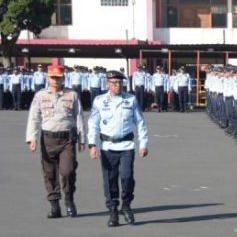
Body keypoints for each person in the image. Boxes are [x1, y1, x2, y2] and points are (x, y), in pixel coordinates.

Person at [88, 70, 149, 227]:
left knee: (127, 177)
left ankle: (127, 205)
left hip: (126, 145)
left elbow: (140, 123)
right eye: (114, 82)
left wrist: (143, 144)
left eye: (120, 82)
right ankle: (113, 210)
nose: (118, 85)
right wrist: (92, 144)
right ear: (107, 83)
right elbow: (93, 124)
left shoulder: (131, 100)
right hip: (107, 146)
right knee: (110, 180)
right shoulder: (99, 101)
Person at [25, 65, 85, 218]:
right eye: (53, 77)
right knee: (50, 173)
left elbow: (79, 117)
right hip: (48, 139)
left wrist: (82, 139)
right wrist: (32, 137)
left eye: (58, 77)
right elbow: (34, 117)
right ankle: (54, 205)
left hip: (67, 139)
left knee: (68, 171)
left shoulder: (72, 95)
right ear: (47, 78)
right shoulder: (40, 95)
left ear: (63, 78)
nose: (55, 80)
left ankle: (69, 200)